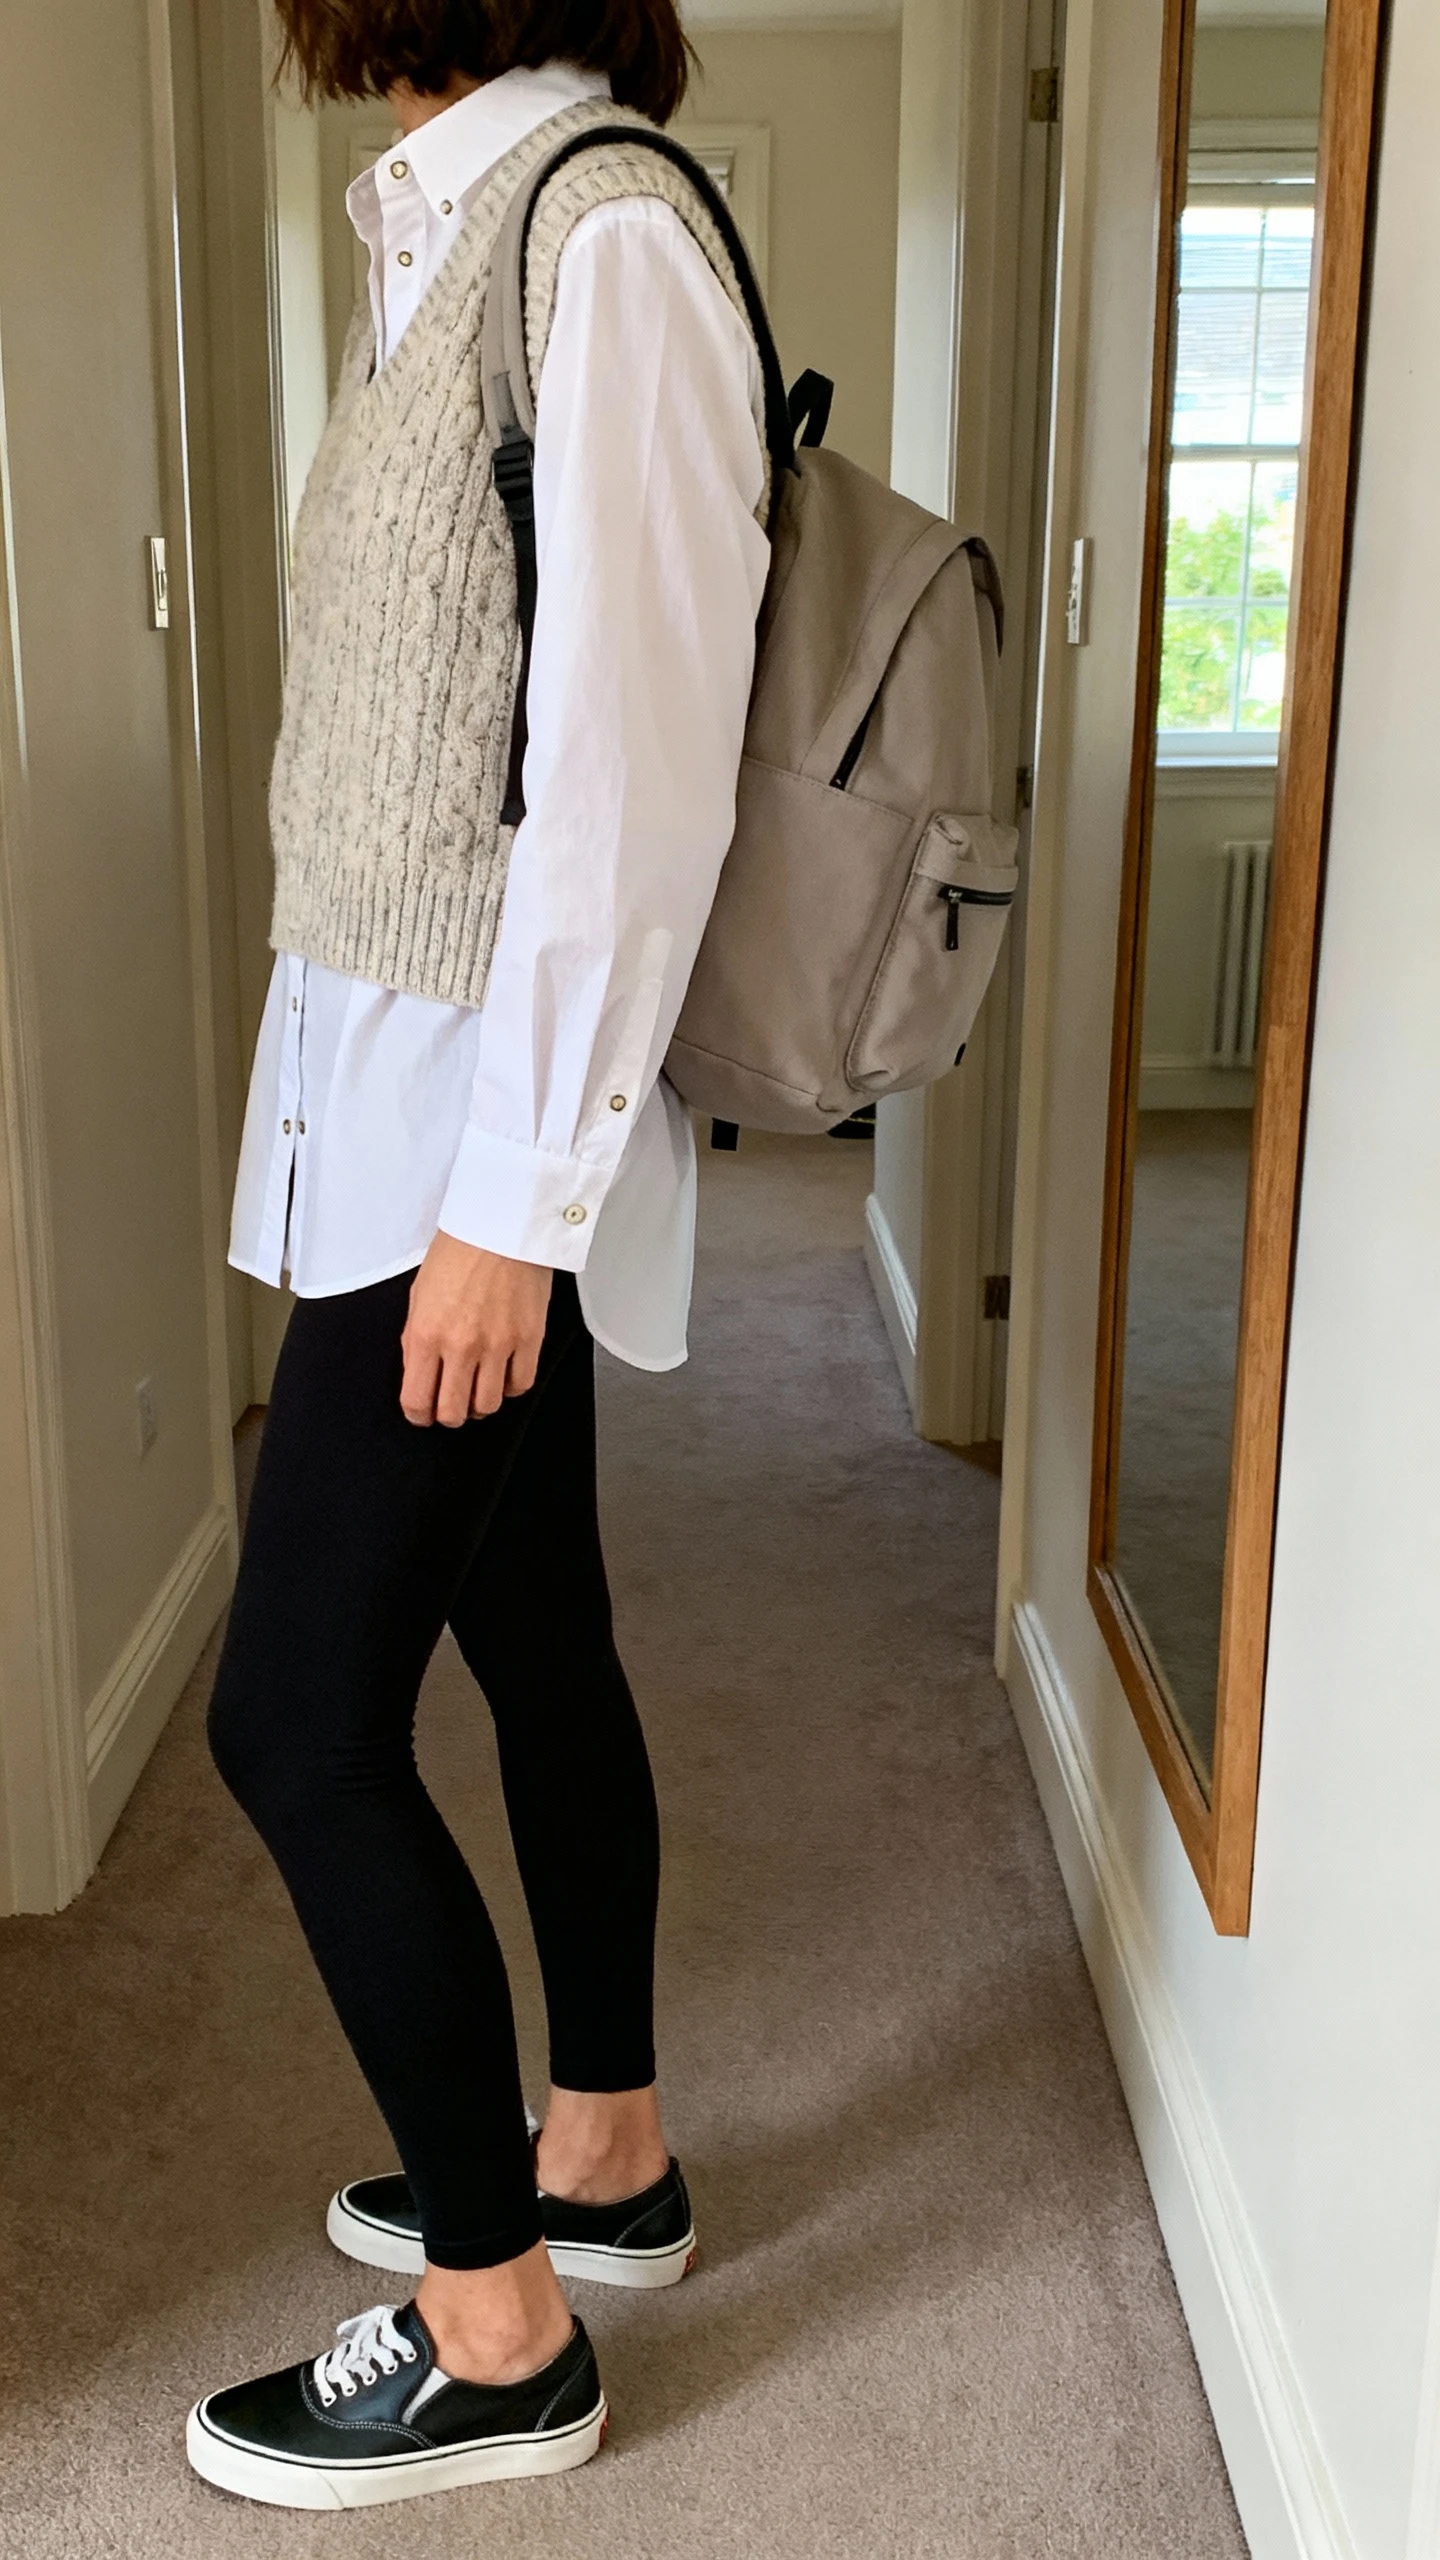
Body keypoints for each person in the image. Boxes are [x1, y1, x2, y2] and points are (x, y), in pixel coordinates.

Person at [187, 0, 769, 2511]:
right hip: (406, 1100)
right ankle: (600, 2161)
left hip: (469, 1142)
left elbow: (635, 782)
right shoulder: (448, 234)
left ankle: (498, 2329)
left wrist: (506, 1211)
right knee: (534, 1635)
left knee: (294, 1721)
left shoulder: (596, 234)